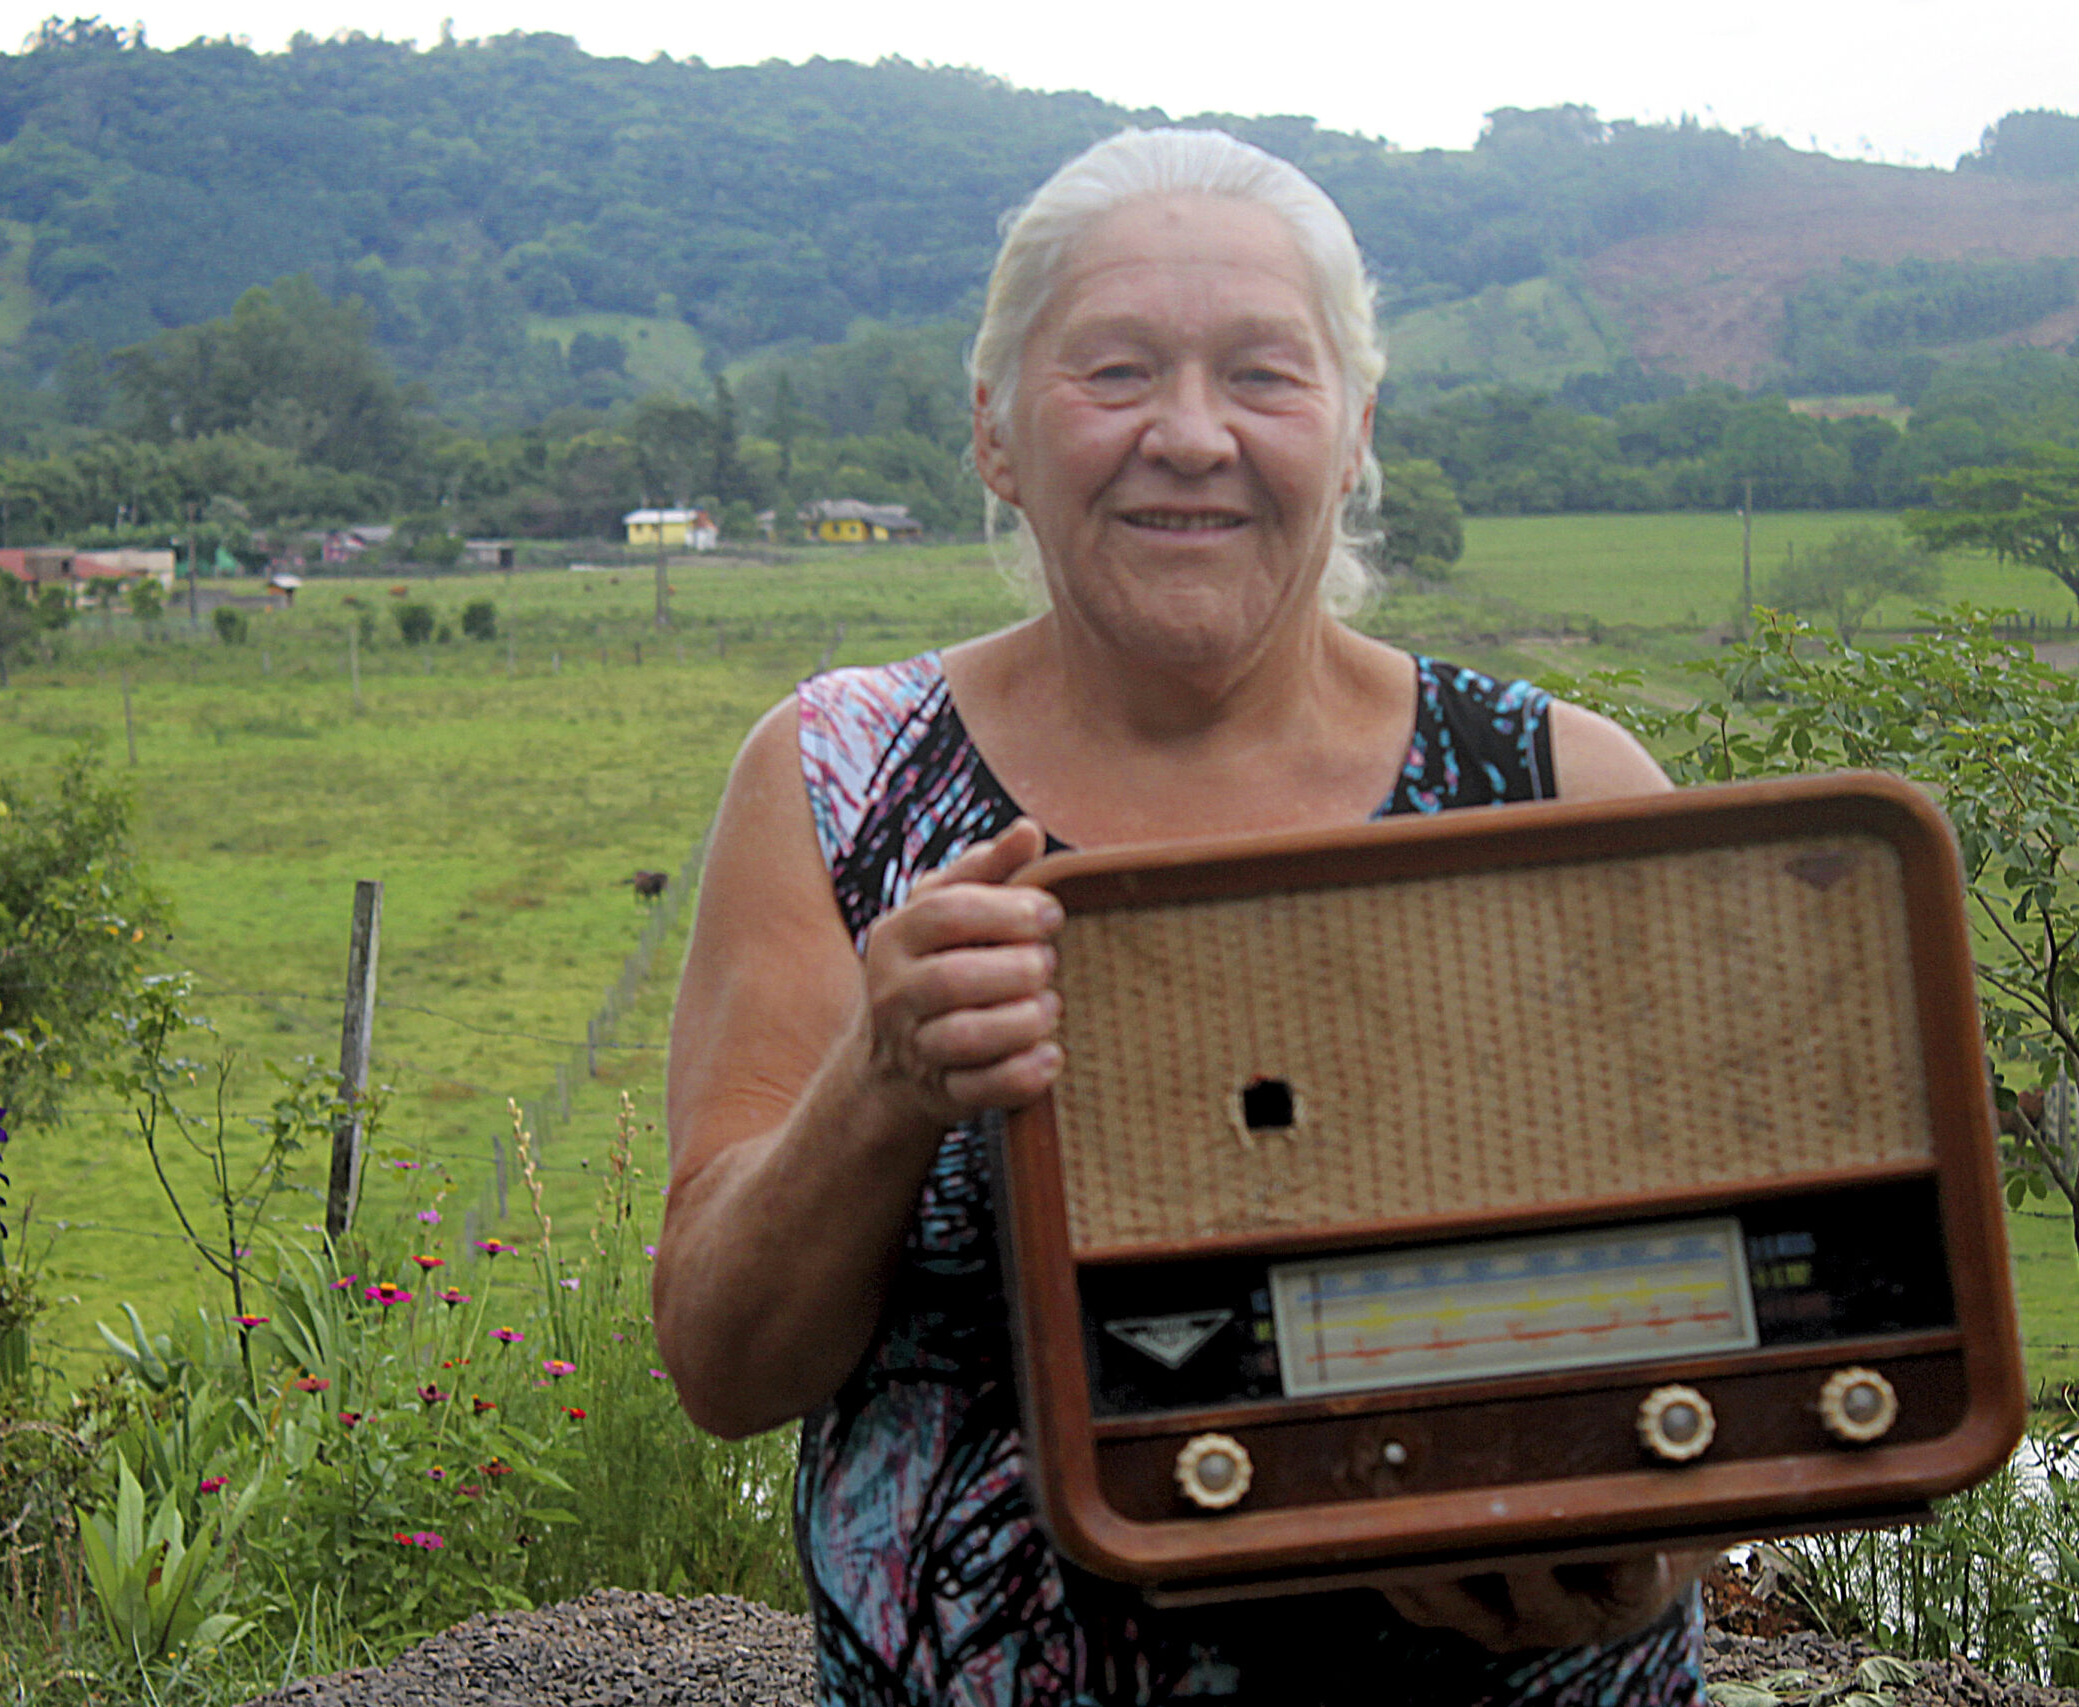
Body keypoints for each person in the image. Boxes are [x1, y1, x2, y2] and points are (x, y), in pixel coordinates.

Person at [655, 128, 1700, 1706]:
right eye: (1117, 371)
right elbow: (726, 1369)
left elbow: (1751, 1312)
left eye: (1266, 377)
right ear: (998, 432)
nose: (1192, 436)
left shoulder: (1561, 792)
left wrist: (1650, 1555)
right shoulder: (839, 778)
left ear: (1355, 433)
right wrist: (879, 1080)